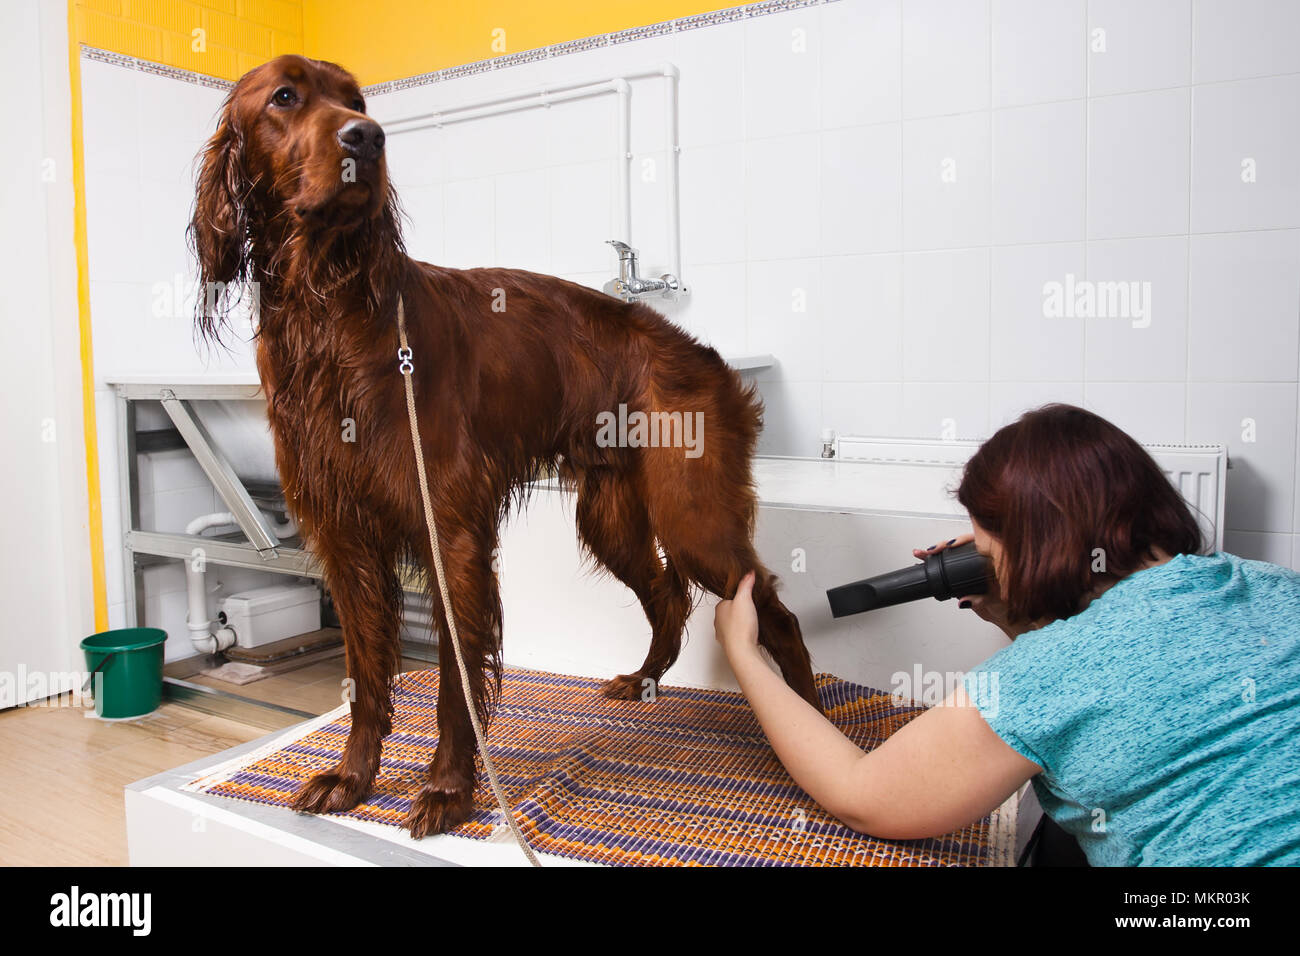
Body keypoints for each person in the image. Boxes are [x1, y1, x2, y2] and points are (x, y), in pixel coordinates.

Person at [713, 404, 1300, 865]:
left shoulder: (1049, 671)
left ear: (1036, 548)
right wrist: (1019, 610)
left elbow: (862, 795)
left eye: (987, 544)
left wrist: (745, 654)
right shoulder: (1276, 586)